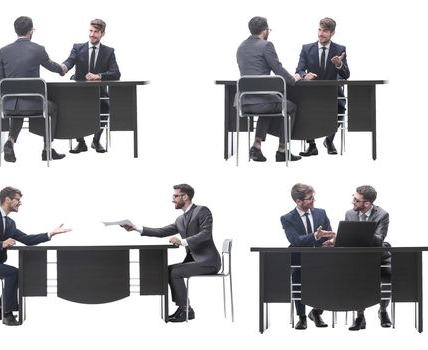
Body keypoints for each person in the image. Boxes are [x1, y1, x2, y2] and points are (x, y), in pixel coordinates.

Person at [0, 187, 71, 326]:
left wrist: (50, 234)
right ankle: (7, 314)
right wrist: (1, 244)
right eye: (17, 200)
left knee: (15, 273)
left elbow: (27, 239)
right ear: (7, 200)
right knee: (13, 273)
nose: (20, 203)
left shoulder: (10, 223)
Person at [121, 184, 221, 322]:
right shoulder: (180, 220)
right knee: (167, 270)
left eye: (175, 196)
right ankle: (184, 308)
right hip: (197, 261)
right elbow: (161, 232)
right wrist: (136, 228)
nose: (172, 199)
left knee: (175, 272)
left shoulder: (202, 211)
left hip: (209, 262)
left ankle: (185, 310)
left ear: (185, 196)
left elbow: (206, 233)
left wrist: (183, 241)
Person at [0, 16, 67, 163]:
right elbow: (51, 66)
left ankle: (10, 140)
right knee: (53, 107)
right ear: (31, 31)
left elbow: (0, 82)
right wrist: (62, 69)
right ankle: (47, 149)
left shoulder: (4, 51)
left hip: (9, 106)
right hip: (34, 106)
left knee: (18, 109)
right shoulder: (38, 49)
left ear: (16, 31)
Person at [236, 16, 302, 163]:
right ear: (265, 30)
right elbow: (278, 69)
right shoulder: (266, 45)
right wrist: (293, 78)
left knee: (269, 103)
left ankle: (256, 146)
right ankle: (282, 150)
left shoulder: (240, 47)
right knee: (291, 107)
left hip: (244, 102)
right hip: (261, 102)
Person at [280, 183, 336, 330]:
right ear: (298, 201)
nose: (313, 201)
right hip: (300, 259)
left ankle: (316, 312)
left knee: (332, 278)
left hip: (321, 259)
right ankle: (302, 317)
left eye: (313, 197)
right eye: (310, 198)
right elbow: (295, 241)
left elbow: (328, 233)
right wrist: (316, 236)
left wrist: (330, 241)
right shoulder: (287, 218)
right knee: (298, 280)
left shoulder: (321, 213)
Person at [62, 19, 121, 154]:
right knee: (71, 106)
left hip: (99, 92)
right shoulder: (78, 47)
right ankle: (81, 142)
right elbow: (70, 61)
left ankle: (96, 140)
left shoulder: (109, 52)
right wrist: (63, 67)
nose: (92, 34)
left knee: (105, 105)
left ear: (102, 34)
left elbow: (116, 73)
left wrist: (98, 76)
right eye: (90, 31)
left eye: (96, 32)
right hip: (79, 92)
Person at [295, 17, 350, 156]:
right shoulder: (306, 48)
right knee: (303, 107)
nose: (320, 34)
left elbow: (346, 74)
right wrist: (304, 76)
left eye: (325, 31)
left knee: (341, 108)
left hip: (333, 92)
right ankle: (312, 145)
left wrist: (339, 64)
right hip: (312, 92)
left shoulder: (340, 49)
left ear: (332, 33)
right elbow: (299, 70)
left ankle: (329, 140)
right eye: (319, 29)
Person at [345, 185, 391, 330]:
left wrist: (358, 233)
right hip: (357, 258)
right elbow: (348, 238)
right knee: (356, 278)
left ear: (367, 204)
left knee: (388, 276)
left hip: (379, 256)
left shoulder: (382, 215)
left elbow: (379, 239)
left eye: (356, 200)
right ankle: (360, 317)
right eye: (353, 197)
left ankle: (383, 311)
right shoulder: (349, 214)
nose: (353, 201)